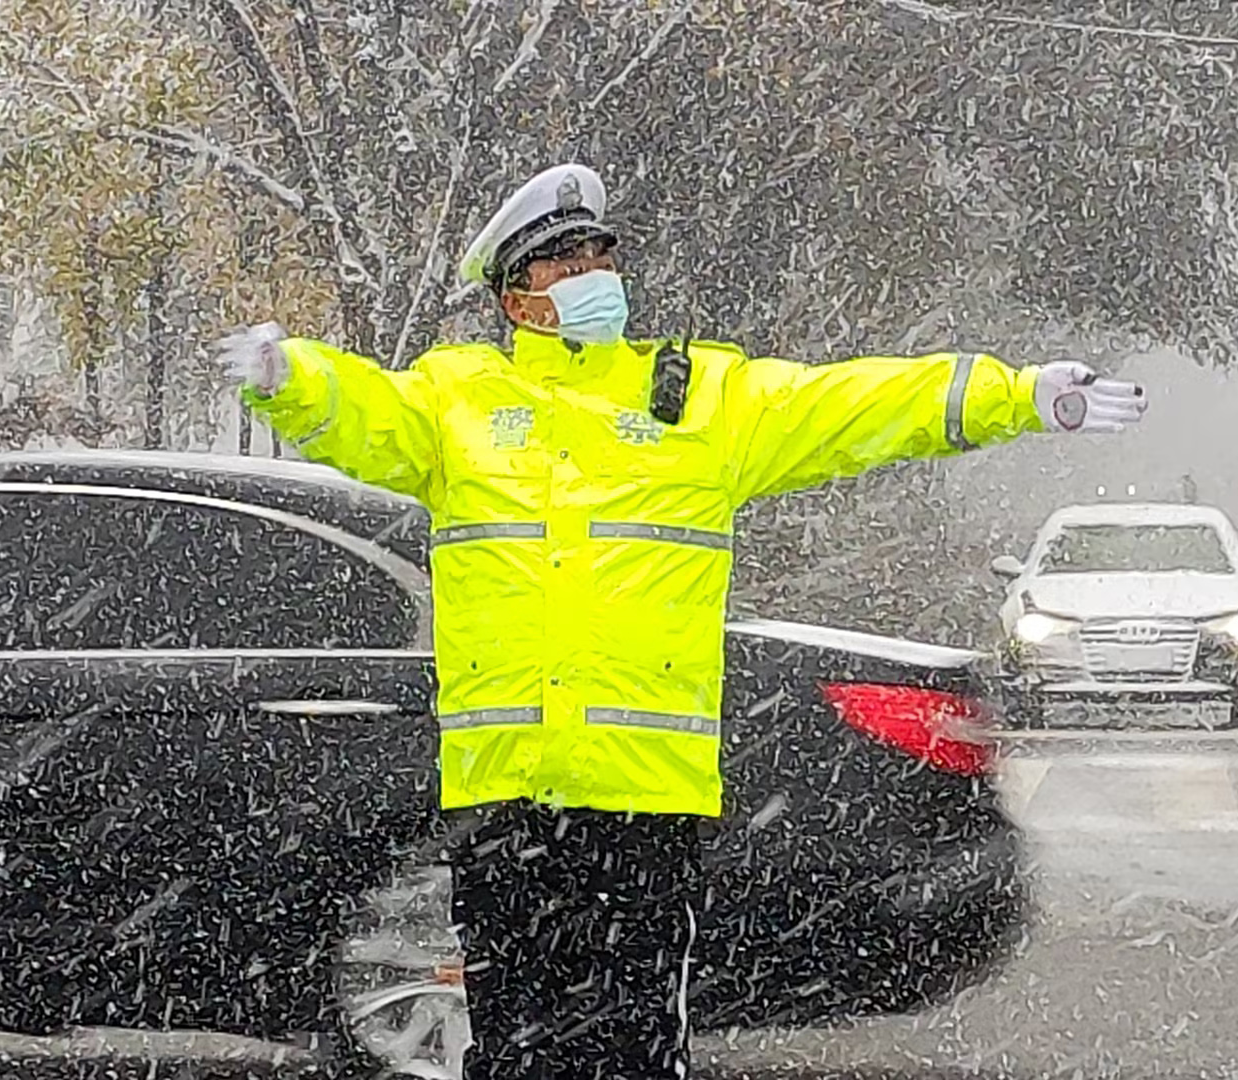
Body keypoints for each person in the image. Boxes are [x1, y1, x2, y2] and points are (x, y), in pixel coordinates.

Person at [216, 162, 1147, 1080]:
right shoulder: (458, 403)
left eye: (599, 256)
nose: (593, 278)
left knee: (634, 1050)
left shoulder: (700, 399)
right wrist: (286, 375)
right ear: (515, 298)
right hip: (503, 801)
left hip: (645, 804)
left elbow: (858, 404)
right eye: (564, 264)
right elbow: (360, 409)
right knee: (513, 1049)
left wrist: (1016, 396)